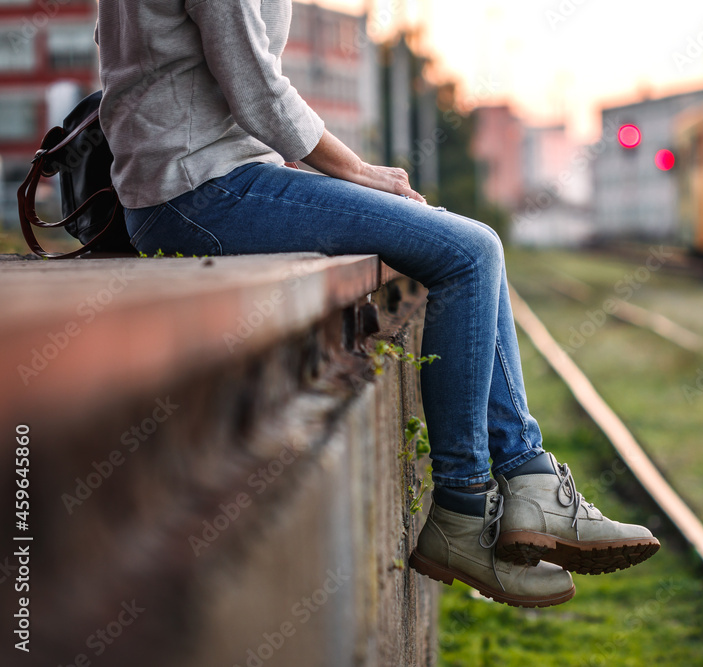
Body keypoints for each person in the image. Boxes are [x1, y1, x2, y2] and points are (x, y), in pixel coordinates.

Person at [97, 0, 659, 608]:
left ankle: (526, 482)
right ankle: (469, 511)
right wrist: (356, 170)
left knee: (470, 248)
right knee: (469, 252)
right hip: (203, 192)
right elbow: (257, 91)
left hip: (194, 184)